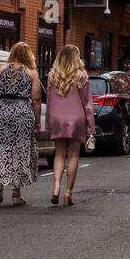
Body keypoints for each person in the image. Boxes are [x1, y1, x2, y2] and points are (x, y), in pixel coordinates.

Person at [0, 41, 42, 205]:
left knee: (0, 145)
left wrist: (0, 92)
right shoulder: (32, 73)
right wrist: (37, 120)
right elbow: (36, 99)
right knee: (20, 150)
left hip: (0, 110)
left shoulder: (0, 68)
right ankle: (16, 193)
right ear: (28, 55)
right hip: (21, 112)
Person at [45, 44, 94, 207]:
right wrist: (91, 128)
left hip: (57, 118)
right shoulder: (82, 76)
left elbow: (50, 102)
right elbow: (87, 104)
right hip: (76, 118)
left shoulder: (52, 75)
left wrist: (49, 123)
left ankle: (56, 187)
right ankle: (68, 193)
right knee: (73, 156)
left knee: (59, 154)